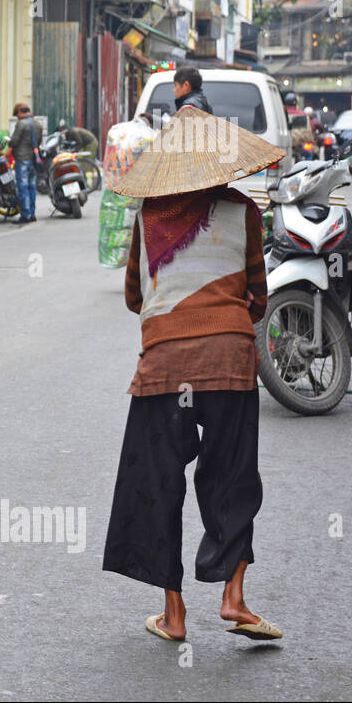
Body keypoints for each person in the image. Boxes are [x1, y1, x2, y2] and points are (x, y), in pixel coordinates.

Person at [103, 106, 283, 644]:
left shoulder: (146, 216)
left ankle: (174, 616)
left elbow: (136, 297)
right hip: (230, 363)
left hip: (163, 369)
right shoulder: (244, 211)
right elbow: (257, 296)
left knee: (157, 485)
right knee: (232, 478)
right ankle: (234, 598)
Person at [6, 102, 40, 224]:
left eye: (17, 115)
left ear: (20, 112)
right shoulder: (37, 124)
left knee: (23, 188)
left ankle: (25, 215)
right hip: (33, 160)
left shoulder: (21, 124)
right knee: (32, 188)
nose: (17, 117)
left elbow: (14, 141)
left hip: (22, 159)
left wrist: (8, 152)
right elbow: (38, 141)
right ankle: (32, 214)